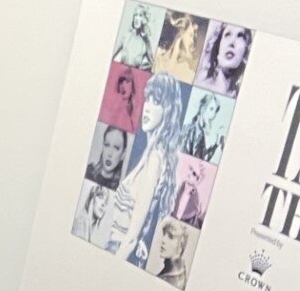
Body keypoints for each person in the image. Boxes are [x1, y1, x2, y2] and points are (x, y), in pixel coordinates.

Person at [107, 72, 188, 267]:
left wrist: (106, 271)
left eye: (157, 102)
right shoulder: (151, 153)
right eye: (148, 100)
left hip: (117, 252)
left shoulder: (154, 159)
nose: (148, 109)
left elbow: (131, 238)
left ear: (168, 110)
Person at [197, 21, 252, 96]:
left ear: (245, 53)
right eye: (227, 34)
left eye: (240, 36)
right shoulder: (201, 86)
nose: (232, 43)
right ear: (218, 47)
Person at [182, 91, 227, 165]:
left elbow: (201, 159)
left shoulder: (201, 132)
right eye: (211, 109)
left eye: (215, 111)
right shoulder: (191, 129)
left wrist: (216, 145)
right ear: (203, 108)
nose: (213, 115)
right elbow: (195, 160)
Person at [150, 216, 194, 289]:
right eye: (164, 234)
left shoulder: (172, 281)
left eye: (170, 236)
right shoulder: (176, 272)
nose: (163, 240)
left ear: (180, 245)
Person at [86, 123, 128, 187]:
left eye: (116, 148)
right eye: (107, 145)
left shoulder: (120, 187)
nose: (110, 154)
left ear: (123, 154)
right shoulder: (88, 172)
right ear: (103, 146)